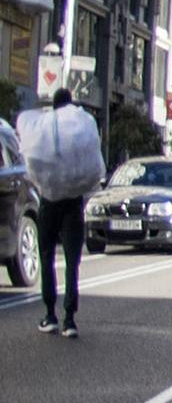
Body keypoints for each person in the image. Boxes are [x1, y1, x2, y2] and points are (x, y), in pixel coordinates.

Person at [28, 88, 100, 339]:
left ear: (54, 105)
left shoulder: (47, 125)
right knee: (72, 261)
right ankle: (70, 319)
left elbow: (33, 160)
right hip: (73, 202)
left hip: (50, 199)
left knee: (47, 255)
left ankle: (50, 314)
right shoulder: (81, 124)